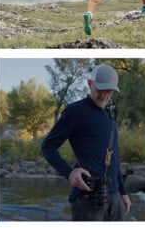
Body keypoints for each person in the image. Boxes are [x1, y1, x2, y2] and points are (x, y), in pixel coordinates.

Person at [41, 64, 131, 221]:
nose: (104, 95)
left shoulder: (110, 119)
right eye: (100, 89)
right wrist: (69, 173)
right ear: (90, 84)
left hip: (114, 199)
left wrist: (123, 192)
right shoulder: (75, 111)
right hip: (87, 200)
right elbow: (48, 146)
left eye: (109, 91)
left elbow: (113, 159)